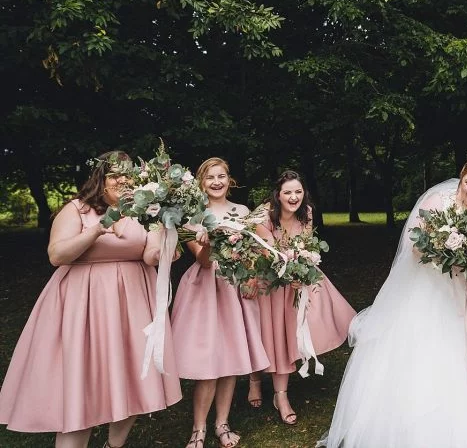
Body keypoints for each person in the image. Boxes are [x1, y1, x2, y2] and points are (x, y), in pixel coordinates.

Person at [318, 157, 467, 448]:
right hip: (434, 289)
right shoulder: (438, 203)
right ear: (461, 179)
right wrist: (446, 256)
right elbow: (415, 248)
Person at [0, 151, 182, 448]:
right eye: (114, 175)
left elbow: (149, 256)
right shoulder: (78, 209)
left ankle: (115, 444)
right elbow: (57, 255)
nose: (122, 180)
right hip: (82, 305)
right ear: (100, 179)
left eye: (128, 175)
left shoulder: (148, 212)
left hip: (132, 304)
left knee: (134, 378)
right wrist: (98, 228)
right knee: (80, 384)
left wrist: (167, 246)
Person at [170, 158, 269, 448]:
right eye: (210, 177)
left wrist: (252, 276)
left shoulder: (243, 212)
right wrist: (211, 241)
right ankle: (198, 429)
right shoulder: (192, 216)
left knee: (232, 359)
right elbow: (201, 259)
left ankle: (222, 424)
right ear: (201, 182)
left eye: (222, 176)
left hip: (236, 288)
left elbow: (255, 249)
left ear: (230, 180)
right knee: (209, 361)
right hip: (206, 289)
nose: (216, 181)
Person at [246, 170, 356, 426]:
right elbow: (269, 255)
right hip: (267, 281)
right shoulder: (263, 216)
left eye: (298, 191)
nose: (294, 197)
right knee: (264, 333)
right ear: (278, 194)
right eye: (288, 192)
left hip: (293, 281)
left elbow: (304, 247)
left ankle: (280, 396)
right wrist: (290, 270)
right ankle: (254, 380)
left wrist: (301, 271)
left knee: (284, 337)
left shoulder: (306, 212)